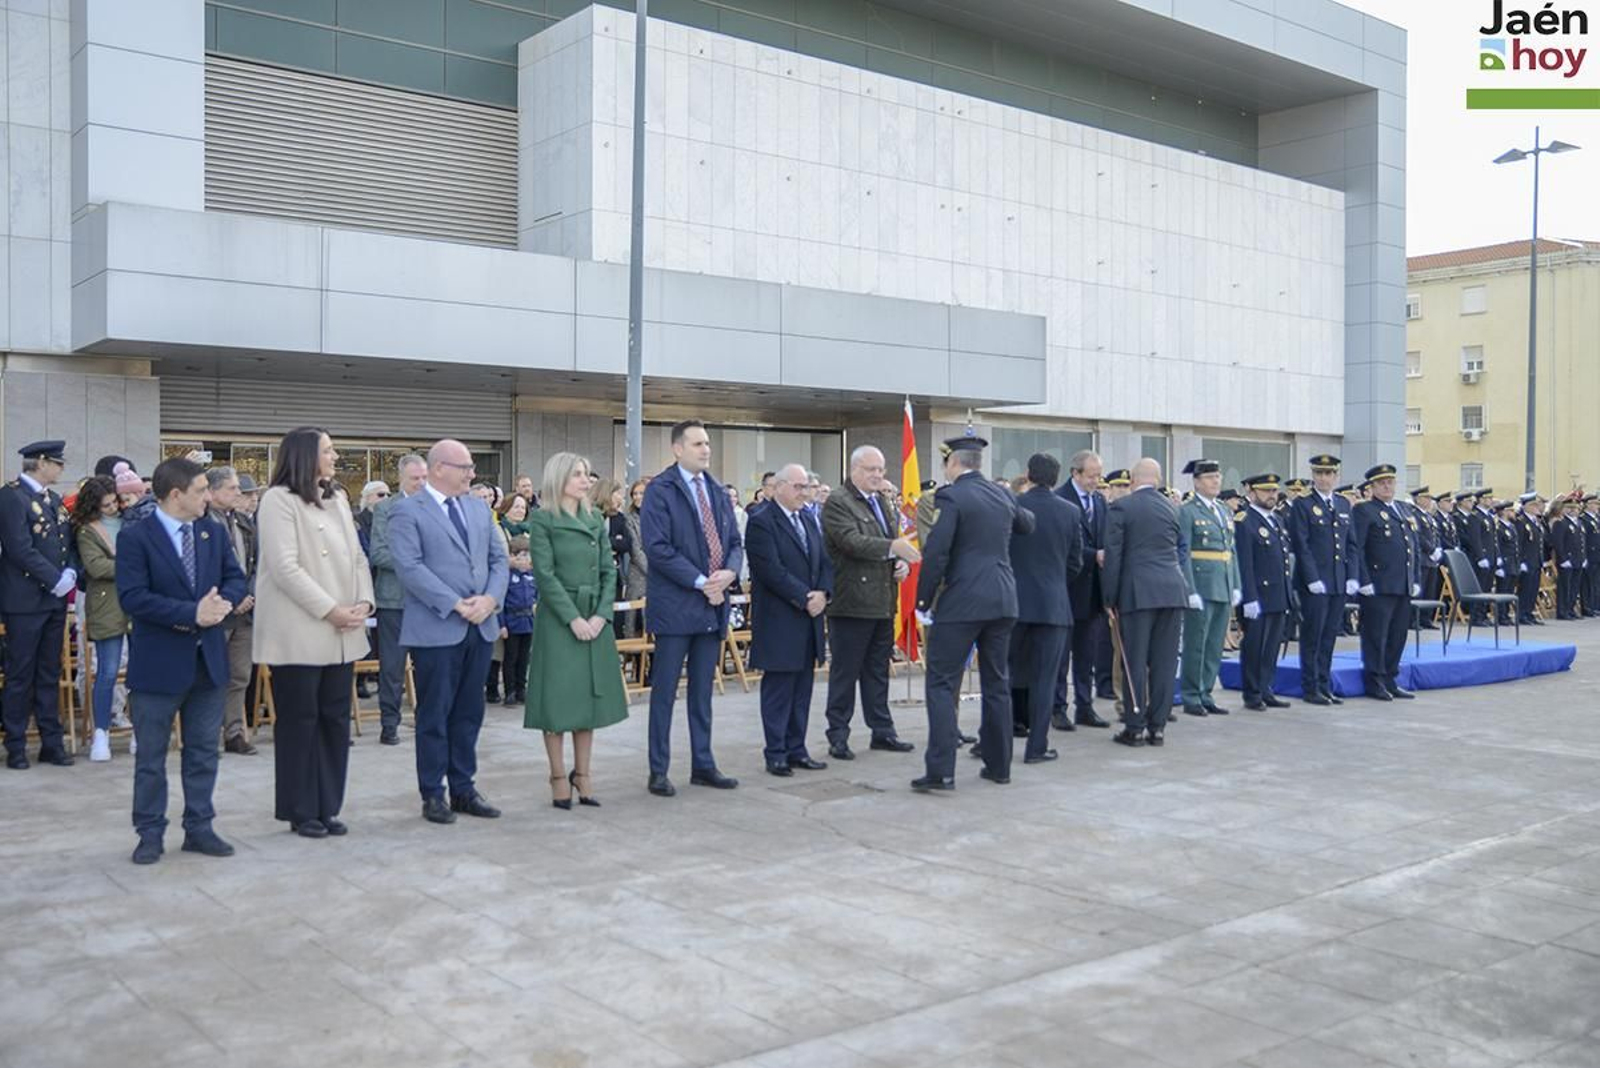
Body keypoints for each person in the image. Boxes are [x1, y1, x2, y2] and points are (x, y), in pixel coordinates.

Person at [117, 456, 248, 864]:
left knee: (203, 751)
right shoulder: (136, 537)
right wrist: (190, 613)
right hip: (158, 664)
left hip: (207, 661)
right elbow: (133, 598)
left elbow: (234, 577)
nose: (207, 497)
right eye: (200, 491)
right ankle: (150, 832)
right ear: (176, 495)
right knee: (152, 757)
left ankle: (200, 826)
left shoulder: (211, 531)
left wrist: (221, 604)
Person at [254, 428, 375, 838]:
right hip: (302, 629)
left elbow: (357, 555)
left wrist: (363, 603)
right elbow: (285, 567)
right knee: (299, 720)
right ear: (306, 455)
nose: (336, 456)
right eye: (328, 450)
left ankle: (328, 804)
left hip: (343, 629)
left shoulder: (337, 497)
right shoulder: (278, 500)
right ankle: (300, 808)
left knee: (334, 719)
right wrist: (331, 610)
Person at [388, 439, 510, 823]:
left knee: (469, 713)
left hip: (480, 626)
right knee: (434, 714)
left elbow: (498, 559)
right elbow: (410, 567)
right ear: (439, 468)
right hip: (438, 628)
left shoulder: (477, 508)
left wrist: (490, 600)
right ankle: (432, 793)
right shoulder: (407, 511)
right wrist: (456, 604)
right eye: (466, 467)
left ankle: (463, 788)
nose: (472, 474)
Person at [912, 435, 1034, 791]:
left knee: (940, 682)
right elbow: (1028, 524)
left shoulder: (951, 496)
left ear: (953, 464)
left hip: (963, 601)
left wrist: (922, 602)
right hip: (1002, 598)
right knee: (996, 683)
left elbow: (936, 552)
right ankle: (999, 766)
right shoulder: (1002, 494)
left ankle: (941, 771)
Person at [639, 420, 744, 796]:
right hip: (677, 606)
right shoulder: (661, 491)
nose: (706, 450)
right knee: (665, 691)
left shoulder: (715, 488)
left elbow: (734, 540)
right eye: (698, 443)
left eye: (708, 443)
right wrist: (703, 582)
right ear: (677, 449)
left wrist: (729, 574)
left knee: (702, 692)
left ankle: (703, 763)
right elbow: (658, 547)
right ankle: (658, 770)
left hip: (713, 606)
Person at [522, 452, 628, 809]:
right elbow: (545, 576)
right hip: (559, 619)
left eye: (587, 474)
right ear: (560, 479)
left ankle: (583, 774)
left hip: (593, 616)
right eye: (579, 475)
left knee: (587, 701)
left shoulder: (595, 518)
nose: (586, 481)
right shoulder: (543, 520)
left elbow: (608, 571)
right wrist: (573, 619)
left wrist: (601, 616)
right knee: (557, 701)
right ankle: (557, 775)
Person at [820, 445, 922, 760]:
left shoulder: (882, 501)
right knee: (845, 673)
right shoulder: (839, 501)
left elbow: (889, 547)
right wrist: (894, 548)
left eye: (881, 469)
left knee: (878, 670)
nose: (878, 475)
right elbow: (851, 542)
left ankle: (882, 731)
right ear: (854, 470)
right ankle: (838, 735)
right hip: (852, 602)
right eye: (870, 469)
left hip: (881, 600)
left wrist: (899, 564)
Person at [745, 463, 833, 777]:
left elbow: (824, 560)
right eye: (797, 487)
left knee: (802, 689)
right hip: (781, 618)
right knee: (779, 690)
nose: (803, 493)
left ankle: (797, 749)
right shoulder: (761, 521)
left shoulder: (809, 518)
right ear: (779, 487)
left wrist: (823, 592)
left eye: (806, 487)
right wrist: (805, 597)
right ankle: (776, 752)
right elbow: (770, 569)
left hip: (809, 618)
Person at [1101, 459, 1192, 748]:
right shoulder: (1172, 507)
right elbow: (1180, 549)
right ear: (1159, 479)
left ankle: (1135, 725)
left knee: (1134, 662)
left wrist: (1109, 598)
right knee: (1165, 662)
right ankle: (1158, 727)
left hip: (1138, 593)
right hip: (1172, 590)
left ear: (1131, 481)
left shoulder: (1122, 508)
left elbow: (1113, 558)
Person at [0, 440, 79, 769]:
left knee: (49, 672)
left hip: (53, 601)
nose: (61, 469)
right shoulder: (12, 496)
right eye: (57, 464)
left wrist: (72, 570)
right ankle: (16, 745)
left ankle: (51, 741)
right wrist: (54, 578)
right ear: (41, 462)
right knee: (20, 674)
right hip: (24, 601)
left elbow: (68, 541)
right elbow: (18, 547)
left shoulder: (55, 500)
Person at [1006, 453, 1082, 762]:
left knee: (1004, 675)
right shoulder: (1070, 511)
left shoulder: (1013, 506)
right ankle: (1037, 747)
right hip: (1053, 606)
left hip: (1014, 603)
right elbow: (1075, 563)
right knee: (1045, 679)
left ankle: (992, 741)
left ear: (1028, 474)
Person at [366, 454, 427, 745]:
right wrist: (415, 566)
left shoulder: (434, 508)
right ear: (401, 478)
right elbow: (378, 553)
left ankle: (428, 720)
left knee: (430, 666)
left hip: (429, 601)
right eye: (415, 479)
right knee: (392, 667)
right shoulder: (385, 509)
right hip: (394, 599)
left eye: (425, 478)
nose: (421, 484)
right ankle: (389, 724)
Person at [1289, 455, 1358, 706]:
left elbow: (1351, 544)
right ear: (1313, 476)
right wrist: (1311, 578)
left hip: (1338, 580)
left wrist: (1352, 576)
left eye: (1328, 474)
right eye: (1319, 474)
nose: (1324, 478)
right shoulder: (1303, 505)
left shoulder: (1342, 504)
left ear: (1336, 476)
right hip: (1315, 582)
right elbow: (1302, 544)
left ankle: (1324, 683)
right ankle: (1311, 687)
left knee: (1329, 636)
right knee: (1312, 636)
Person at [1177, 459, 1241, 717]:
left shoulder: (1224, 511)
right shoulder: (1187, 511)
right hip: (1201, 585)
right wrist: (1189, 589)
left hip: (1223, 583)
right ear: (1196, 481)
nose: (1216, 481)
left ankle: (1206, 692)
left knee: (1215, 645)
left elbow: (1231, 551)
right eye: (1209, 477)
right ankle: (1191, 695)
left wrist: (1236, 583)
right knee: (1196, 644)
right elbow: (1183, 553)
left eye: (1217, 476)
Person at [72, 476, 128, 762]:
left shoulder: (129, 521)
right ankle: (101, 733)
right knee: (106, 672)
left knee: (140, 672)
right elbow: (95, 566)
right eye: (105, 504)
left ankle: (140, 729)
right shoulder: (86, 531)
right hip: (106, 605)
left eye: (114, 502)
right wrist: (132, 563)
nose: (112, 508)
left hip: (137, 603)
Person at [1352, 464, 1419, 701]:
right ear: (1372, 487)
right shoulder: (1365, 511)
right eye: (1381, 483)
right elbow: (1357, 548)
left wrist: (1416, 578)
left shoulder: (1402, 509)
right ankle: (1374, 680)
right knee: (1376, 635)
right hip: (1378, 585)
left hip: (1402, 583)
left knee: (1397, 635)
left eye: (1390, 482)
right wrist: (1364, 580)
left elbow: (1413, 547)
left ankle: (1391, 678)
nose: (1387, 486)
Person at [1054, 450, 1111, 730]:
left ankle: (1085, 707)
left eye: (1098, 475)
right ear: (1075, 473)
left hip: (1093, 593)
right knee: (1061, 655)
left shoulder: (1100, 501)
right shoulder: (1060, 499)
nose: (1095, 481)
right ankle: (1057, 708)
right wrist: (1093, 555)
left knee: (1086, 654)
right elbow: (1060, 546)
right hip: (1068, 588)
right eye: (1091, 476)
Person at [206, 466, 260, 755]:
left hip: (245, 610)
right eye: (232, 488)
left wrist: (247, 593)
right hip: (217, 610)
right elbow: (206, 569)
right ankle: (207, 733)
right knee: (212, 675)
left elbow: (254, 563)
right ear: (212, 491)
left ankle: (235, 733)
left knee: (240, 675)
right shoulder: (202, 522)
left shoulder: (242, 521)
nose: (238, 493)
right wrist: (231, 596)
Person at [1236, 473, 1293, 711]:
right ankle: (1252, 693)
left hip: (1278, 594)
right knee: (1254, 648)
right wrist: (1248, 598)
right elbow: (1244, 563)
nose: (1271, 495)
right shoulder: (1244, 521)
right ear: (1252, 493)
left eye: (1273, 491)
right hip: (1257, 596)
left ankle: (1266, 688)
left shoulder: (1276, 520)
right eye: (1265, 491)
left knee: (1271, 647)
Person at [499, 534, 536, 706]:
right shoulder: (507, 577)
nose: (524, 560)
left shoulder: (532, 576)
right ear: (512, 557)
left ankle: (522, 689)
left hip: (528, 621)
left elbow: (536, 597)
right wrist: (502, 625)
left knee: (524, 658)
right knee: (511, 658)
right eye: (520, 555)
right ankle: (510, 691)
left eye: (527, 555)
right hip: (512, 621)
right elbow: (500, 602)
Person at [1515, 493, 1546, 625]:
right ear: (1525, 506)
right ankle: (1522, 614)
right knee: (1525, 589)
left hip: (1536, 560)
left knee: (1533, 589)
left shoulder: (1535, 521)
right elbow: (1519, 544)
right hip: (1527, 561)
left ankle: (1529, 612)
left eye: (1537, 504)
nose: (1536, 507)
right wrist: (1521, 561)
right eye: (1533, 505)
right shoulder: (1521, 522)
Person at [1553, 497, 1586, 619]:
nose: (1573, 510)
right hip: (1567, 560)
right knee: (1565, 587)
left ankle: (1571, 609)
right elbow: (1558, 543)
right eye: (1569, 508)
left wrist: (1584, 557)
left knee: (1574, 586)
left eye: (1576, 508)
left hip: (1578, 559)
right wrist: (1563, 559)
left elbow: (1583, 542)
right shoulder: (1561, 523)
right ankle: (1563, 611)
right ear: (1564, 509)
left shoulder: (1579, 523)